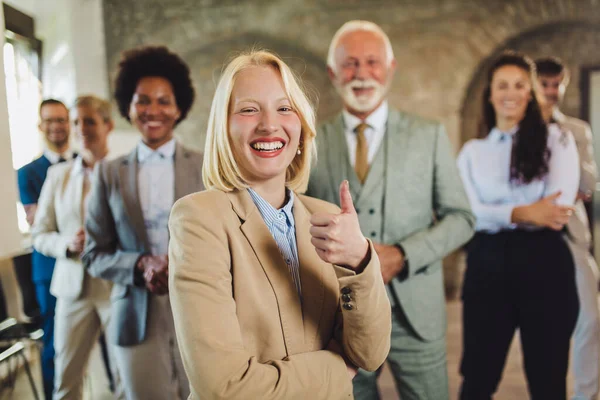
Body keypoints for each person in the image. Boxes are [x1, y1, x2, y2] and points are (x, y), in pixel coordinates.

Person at [168, 49, 392, 400]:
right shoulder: (199, 218)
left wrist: (360, 261)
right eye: (248, 109)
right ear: (224, 128)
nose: (269, 124)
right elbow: (225, 387)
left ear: (302, 127)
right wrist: (335, 369)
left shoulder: (326, 215)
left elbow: (370, 354)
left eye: (284, 108)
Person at [306, 20, 475, 399]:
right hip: (341, 316)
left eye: (372, 62)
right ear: (333, 73)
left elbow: (462, 219)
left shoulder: (428, 135)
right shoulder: (312, 140)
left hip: (416, 315)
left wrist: (403, 254)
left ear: (391, 69)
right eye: (350, 64)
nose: (361, 74)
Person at [81, 46, 203, 400]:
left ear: (179, 108)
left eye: (164, 101)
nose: (153, 111)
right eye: (143, 100)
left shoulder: (204, 166)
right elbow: (93, 253)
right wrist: (140, 264)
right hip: (134, 313)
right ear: (128, 107)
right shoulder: (108, 173)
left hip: (198, 310)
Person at [457, 52, 580, 399]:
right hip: (487, 264)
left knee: (548, 380)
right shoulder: (472, 153)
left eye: (519, 85)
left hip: (546, 263)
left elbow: (555, 211)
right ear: (490, 94)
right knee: (478, 379)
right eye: (502, 85)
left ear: (531, 93)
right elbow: (466, 213)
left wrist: (494, 212)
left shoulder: (558, 140)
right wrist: (521, 213)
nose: (510, 93)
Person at [32, 95, 115, 399]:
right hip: (72, 289)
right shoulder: (58, 176)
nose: (81, 128)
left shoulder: (124, 172)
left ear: (108, 126)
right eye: (77, 121)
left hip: (117, 288)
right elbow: (39, 233)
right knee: (66, 378)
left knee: (126, 375)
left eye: (89, 121)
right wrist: (66, 243)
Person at [536, 56, 600, 400]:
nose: (550, 91)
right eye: (543, 84)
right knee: (542, 328)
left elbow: (589, 181)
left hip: (571, 236)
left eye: (555, 84)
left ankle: (586, 395)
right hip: (528, 238)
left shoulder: (577, 130)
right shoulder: (518, 128)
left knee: (591, 318)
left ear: (565, 82)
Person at [17, 98, 75, 399]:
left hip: (91, 266)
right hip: (49, 269)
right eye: (50, 120)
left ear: (70, 123)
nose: (56, 126)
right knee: (53, 341)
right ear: (41, 126)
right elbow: (38, 222)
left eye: (62, 120)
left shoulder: (86, 161)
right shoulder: (27, 173)